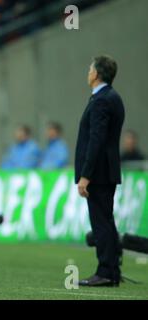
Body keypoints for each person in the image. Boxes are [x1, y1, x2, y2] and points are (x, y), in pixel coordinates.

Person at [74, 55, 125, 287]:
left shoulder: (102, 100)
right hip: (107, 171)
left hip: (99, 173)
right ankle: (112, 270)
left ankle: (105, 271)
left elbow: (96, 140)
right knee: (106, 220)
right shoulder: (111, 97)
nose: (88, 73)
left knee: (101, 222)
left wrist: (86, 175)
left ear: (96, 74)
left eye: (90, 69)